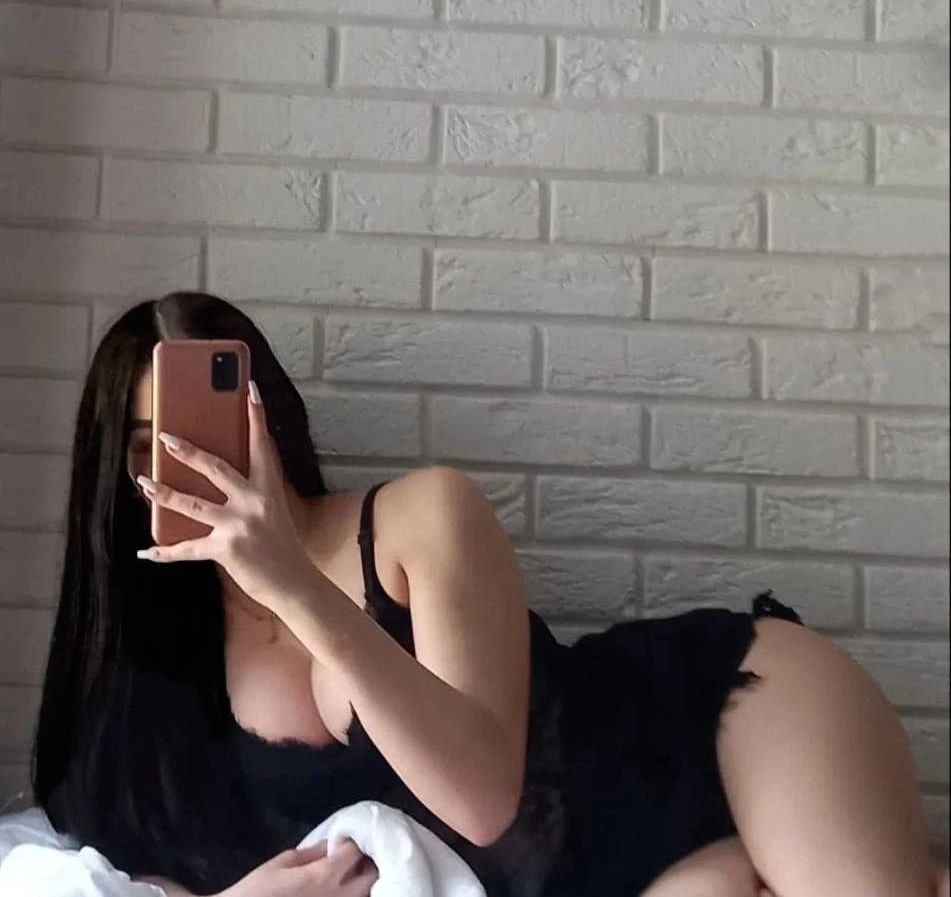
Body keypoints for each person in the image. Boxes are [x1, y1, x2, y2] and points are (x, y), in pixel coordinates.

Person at [31, 292, 947, 897]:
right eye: (151, 443)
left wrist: (294, 583)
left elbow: (478, 799)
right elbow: (133, 857)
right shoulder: (164, 647)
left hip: (721, 716)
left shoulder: (420, 515)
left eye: (209, 426)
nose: (189, 462)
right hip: (583, 873)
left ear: (268, 413)